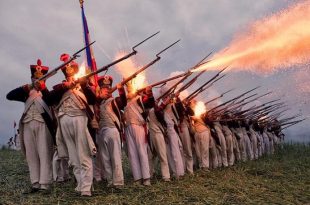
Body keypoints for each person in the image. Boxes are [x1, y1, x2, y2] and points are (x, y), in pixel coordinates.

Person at [50, 53, 97, 196]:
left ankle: (86, 188)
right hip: (64, 121)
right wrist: (66, 86)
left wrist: (83, 84)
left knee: (84, 156)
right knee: (74, 158)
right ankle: (81, 184)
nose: (70, 75)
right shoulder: (60, 88)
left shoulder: (83, 86)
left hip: (79, 119)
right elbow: (49, 98)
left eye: (72, 72)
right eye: (67, 73)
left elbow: (93, 99)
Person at [6, 59, 55, 194]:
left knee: (44, 153)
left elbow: (51, 100)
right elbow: (9, 96)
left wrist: (43, 88)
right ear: (32, 78)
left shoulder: (46, 93)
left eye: (40, 78)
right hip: (27, 124)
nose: (37, 80)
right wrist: (26, 87)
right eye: (35, 78)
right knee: (31, 155)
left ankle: (45, 184)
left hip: (42, 124)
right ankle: (35, 183)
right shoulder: (26, 93)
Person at [97, 75, 127, 188]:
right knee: (105, 158)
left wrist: (120, 89)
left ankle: (118, 182)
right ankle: (110, 181)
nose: (106, 89)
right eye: (104, 88)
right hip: (101, 132)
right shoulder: (98, 103)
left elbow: (123, 101)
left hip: (112, 130)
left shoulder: (114, 101)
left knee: (116, 157)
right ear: (100, 90)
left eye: (108, 87)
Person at [124, 81, 154, 186]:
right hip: (128, 128)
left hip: (138, 126)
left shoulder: (139, 99)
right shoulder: (125, 102)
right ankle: (137, 178)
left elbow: (150, 103)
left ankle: (146, 178)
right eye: (127, 88)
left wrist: (149, 93)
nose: (128, 90)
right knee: (132, 154)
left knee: (142, 151)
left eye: (129, 88)